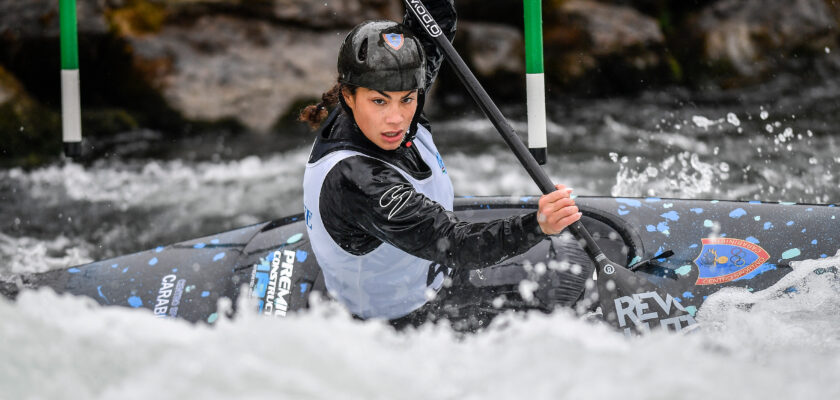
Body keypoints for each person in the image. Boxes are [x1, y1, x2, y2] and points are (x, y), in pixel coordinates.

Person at [300, 1, 585, 328]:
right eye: (379, 101)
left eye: (407, 99)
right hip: (396, 323)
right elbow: (458, 244)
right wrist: (538, 225)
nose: (396, 119)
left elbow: (434, 21)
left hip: (430, 271)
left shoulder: (394, 95)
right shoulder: (359, 180)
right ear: (348, 97)